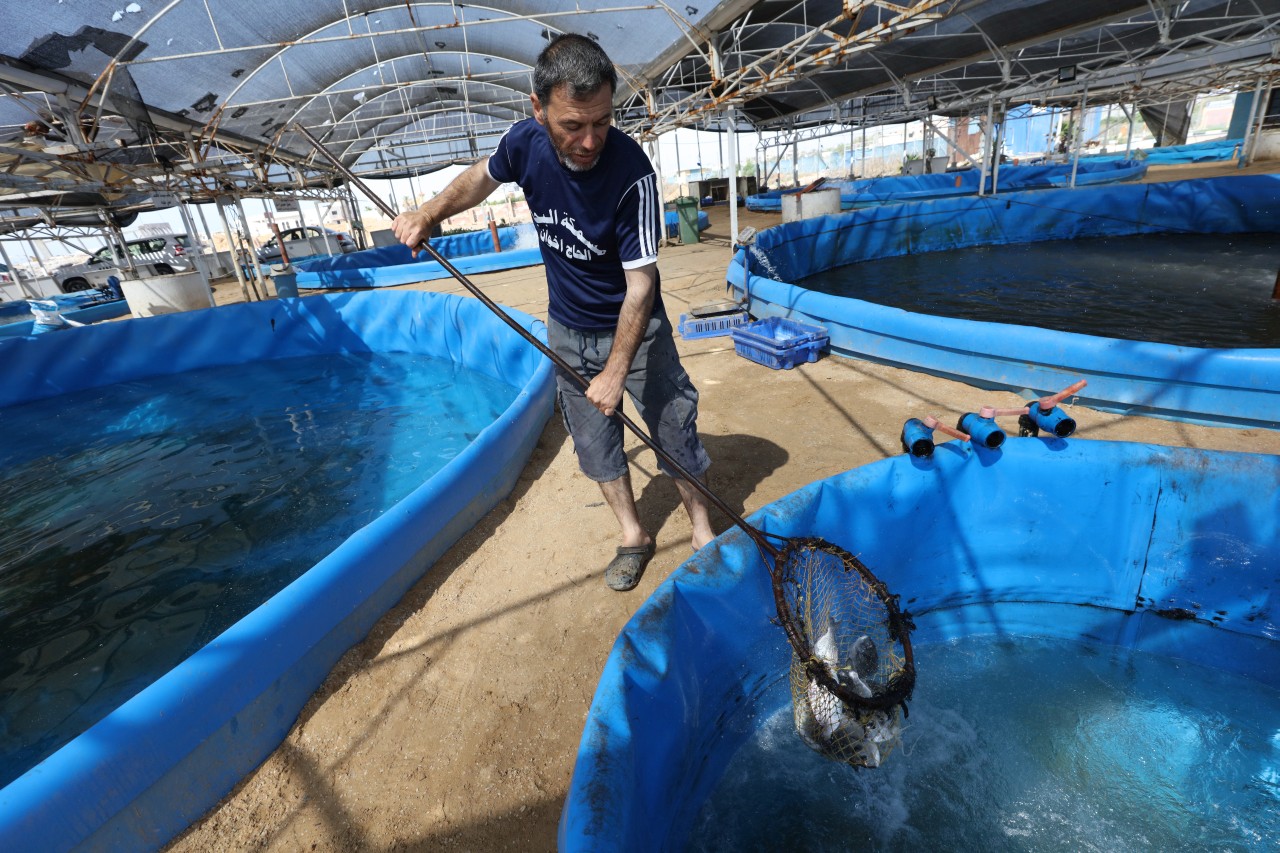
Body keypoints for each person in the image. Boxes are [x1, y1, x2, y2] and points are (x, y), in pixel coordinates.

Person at [392, 33, 714, 592]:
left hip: (635, 332)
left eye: (603, 122)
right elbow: (478, 178)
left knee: (672, 427)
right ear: (538, 109)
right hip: (566, 330)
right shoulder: (524, 144)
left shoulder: (632, 175)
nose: (590, 140)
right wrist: (430, 211)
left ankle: (704, 528)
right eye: (573, 125)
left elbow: (641, 286)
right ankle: (633, 535)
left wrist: (616, 373)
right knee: (595, 441)